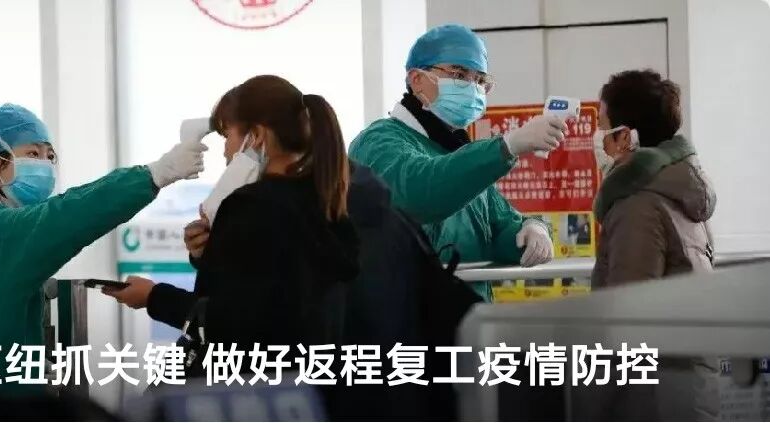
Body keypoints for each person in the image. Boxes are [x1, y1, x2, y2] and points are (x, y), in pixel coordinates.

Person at [0, 103, 206, 396]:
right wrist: (157, 173)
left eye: (50, 156)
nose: (45, 164)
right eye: (32, 154)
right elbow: (67, 215)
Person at [105, 75, 359, 374]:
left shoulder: (250, 206)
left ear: (256, 136)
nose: (225, 152)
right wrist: (210, 253)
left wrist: (153, 296)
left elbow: (230, 325)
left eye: (227, 137)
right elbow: (275, 295)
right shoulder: (326, 204)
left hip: (245, 388)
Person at [348, 24, 562, 301]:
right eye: (459, 75)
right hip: (407, 316)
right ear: (417, 79)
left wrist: (529, 231)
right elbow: (418, 192)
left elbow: (498, 226)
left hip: (468, 315)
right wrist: (507, 146)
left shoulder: (459, 153)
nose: (473, 88)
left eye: (480, 80)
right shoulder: (378, 142)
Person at [591, 70, 716, 287]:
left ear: (624, 138)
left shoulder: (636, 207)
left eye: (602, 126)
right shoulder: (680, 190)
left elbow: (630, 302)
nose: (597, 136)